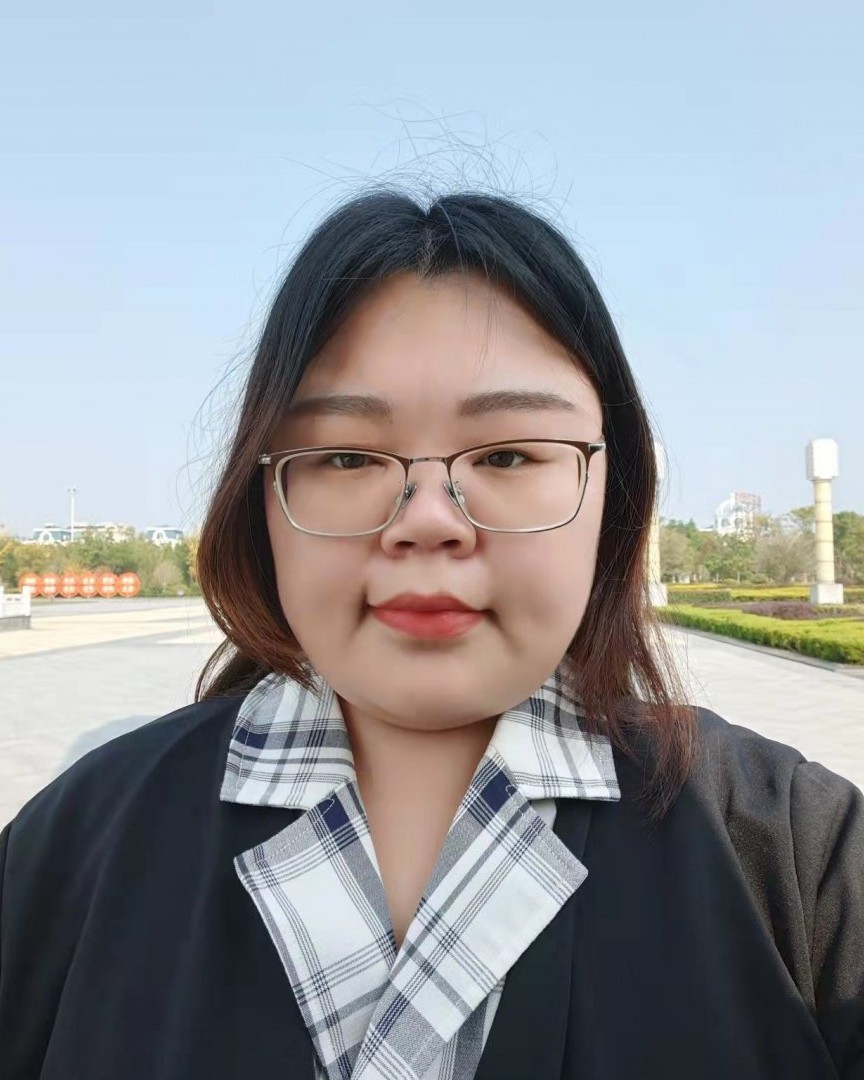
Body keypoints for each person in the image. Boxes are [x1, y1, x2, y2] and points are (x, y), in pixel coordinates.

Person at [0, 190, 861, 1080]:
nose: (426, 522)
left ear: (615, 491)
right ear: (264, 498)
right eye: (344, 456)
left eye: (507, 455)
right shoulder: (74, 844)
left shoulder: (795, 853)